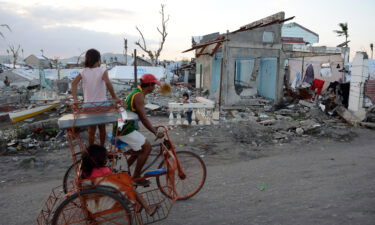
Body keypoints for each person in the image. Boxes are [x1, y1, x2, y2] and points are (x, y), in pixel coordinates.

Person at [115, 74, 164, 186]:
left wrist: (152, 127)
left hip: (123, 126)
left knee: (138, 150)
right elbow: (143, 117)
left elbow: (141, 116)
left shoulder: (137, 92)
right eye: (154, 85)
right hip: (124, 128)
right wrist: (155, 132)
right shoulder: (138, 96)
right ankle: (136, 176)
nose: (155, 88)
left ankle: (122, 173)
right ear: (150, 85)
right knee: (147, 147)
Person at [81, 144, 158, 216]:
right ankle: (147, 208)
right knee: (130, 186)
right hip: (108, 194)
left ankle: (138, 205)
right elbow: (113, 179)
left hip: (95, 193)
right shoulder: (104, 170)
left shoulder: (86, 171)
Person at [71, 49, 121, 146]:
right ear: (98, 60)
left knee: (91, 130)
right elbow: (108, 83)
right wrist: (114, 97)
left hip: (88, 106)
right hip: (102, 106)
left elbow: (73, 84)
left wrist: (76, 100)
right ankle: (102, 148)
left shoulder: (83, 71)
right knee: (102, 129)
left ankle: (91, 150)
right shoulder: (102, 70)